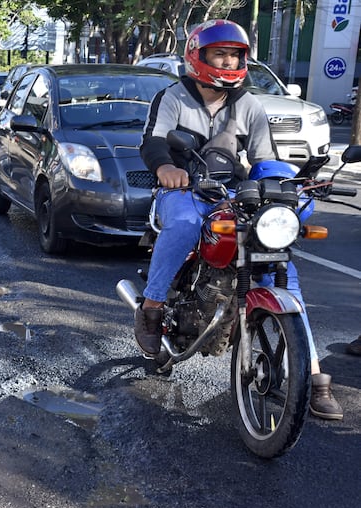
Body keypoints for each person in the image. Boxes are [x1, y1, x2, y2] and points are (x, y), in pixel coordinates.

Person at [137, 19, 343, 421]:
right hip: (184, 191)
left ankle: (313, 376)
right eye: (220, 53)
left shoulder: (249, 104)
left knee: (282, 265)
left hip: (232, 195)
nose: (228, 60)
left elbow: (265, 160)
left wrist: (291, 189)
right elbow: (154, 141)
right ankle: (152, 306)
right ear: (198, 56)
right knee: (182, 225)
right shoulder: (173, 96)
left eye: (234, 54)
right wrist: (165, 167)